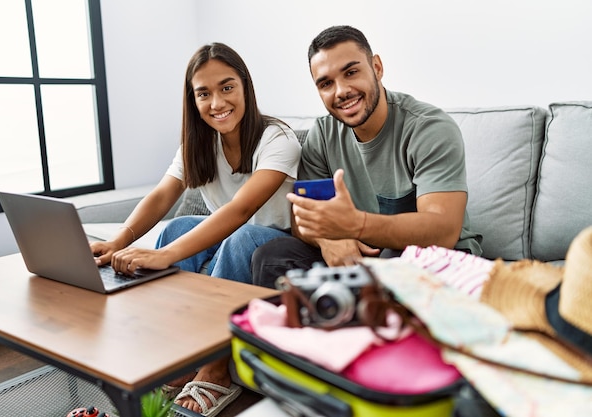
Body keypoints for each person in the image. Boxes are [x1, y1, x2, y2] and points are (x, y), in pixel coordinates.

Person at [90, 43, 301, 415]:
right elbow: (162, 195)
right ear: (193, 99)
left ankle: (216, 366)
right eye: (204, 93)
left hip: (274, 242)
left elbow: (243, 209)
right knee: (177, 228)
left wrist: (165, 256)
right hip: (233, 235)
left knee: (239, 237)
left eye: (226, 87)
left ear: (245, 87)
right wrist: (119, 240)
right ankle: (181, 352)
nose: (217, 102)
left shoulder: (277, 138)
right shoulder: (198, 143)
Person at [251, 25, 482, 288]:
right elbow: (302, 219)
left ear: (377, 68)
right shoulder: (323, 135)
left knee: (395, 259)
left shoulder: (429, 128)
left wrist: (356, 225)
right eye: (326, 83)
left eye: (351, 72)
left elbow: (443, 231)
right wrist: (330, 241)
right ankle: (297, 326)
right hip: (364, 254)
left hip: (435, 259)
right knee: (272, 257)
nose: (341, 91)